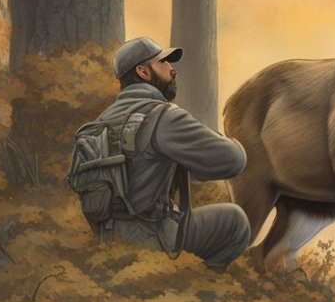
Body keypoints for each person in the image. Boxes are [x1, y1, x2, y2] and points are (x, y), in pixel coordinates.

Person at [91, 36, 251, 272]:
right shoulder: (163, 117)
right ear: (143, 72)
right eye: (163, 63)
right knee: (234, 220)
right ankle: (197, 281)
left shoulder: (102, 121)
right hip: (154, 238)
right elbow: (234, 160)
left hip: (106, 238)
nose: (172, 70)